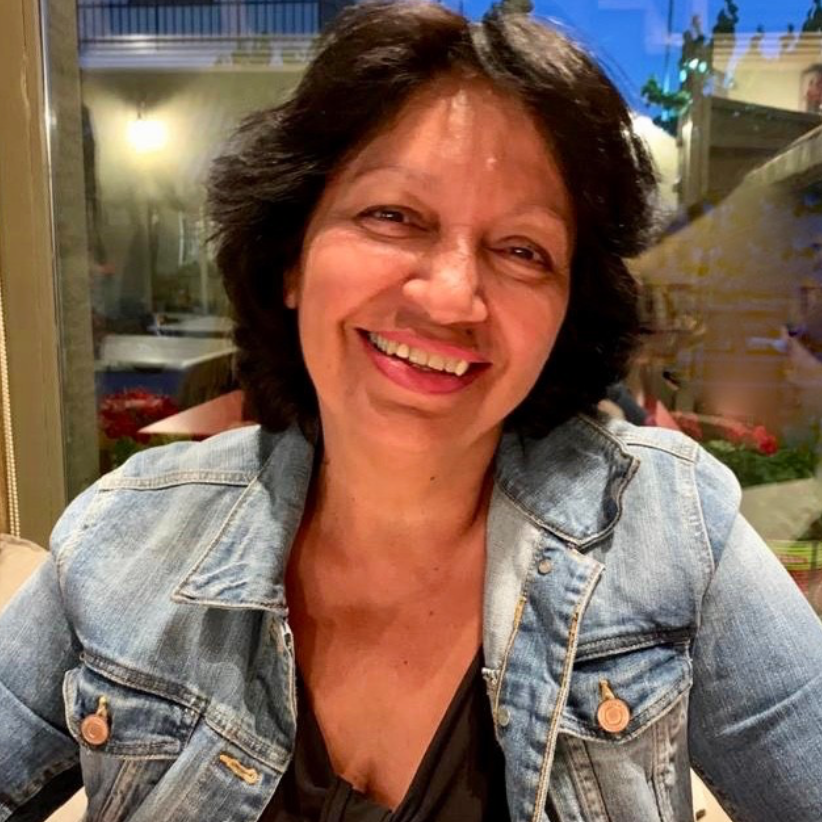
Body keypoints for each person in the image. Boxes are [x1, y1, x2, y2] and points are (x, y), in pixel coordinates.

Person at [3, 2, 822, 820]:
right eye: (393, 216)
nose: (451, 297)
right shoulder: (126, 540)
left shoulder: (671, 535)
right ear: (292, 259)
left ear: (567, 313)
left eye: (523, 250)